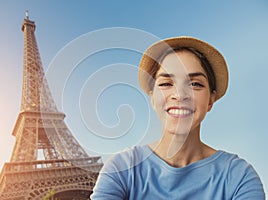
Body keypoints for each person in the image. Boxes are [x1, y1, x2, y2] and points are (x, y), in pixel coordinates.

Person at [90, 36, 265, 199]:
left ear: (211, 99)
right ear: (152, 97)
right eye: (166, 84)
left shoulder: (239, 176)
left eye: (195, 84)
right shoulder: (122, 168)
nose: (180, 95)